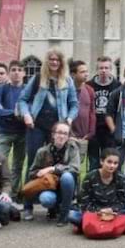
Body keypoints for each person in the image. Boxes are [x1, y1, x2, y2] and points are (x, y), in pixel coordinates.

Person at [18, 48, 78, 203]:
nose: (54, 62)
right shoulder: (38, 78)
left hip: (58, 129)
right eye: (51, 59)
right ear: (47, 61)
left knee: (59, 163)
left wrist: (69, 119)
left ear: (61, 62)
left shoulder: (67, 80)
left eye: (57, 60)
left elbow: (74, 104)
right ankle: (28, 204)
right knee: (33, 163)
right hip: (36, 127)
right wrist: (26, 114)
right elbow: (22, 99)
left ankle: (55, 201)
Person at [25, 121, 80, 225]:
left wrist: (53, 169)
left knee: (67, 177)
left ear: (68, 137)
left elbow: (75, 168)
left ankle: (64, 215)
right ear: (53, 134)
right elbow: (31, 173)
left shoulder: (73, 149)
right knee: (46, 199)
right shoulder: (42, 151)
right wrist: (40, 173)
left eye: (65, 133)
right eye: (59, 132)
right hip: (49, 187)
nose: (61, 136)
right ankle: (54, 208)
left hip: (68, 187)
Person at [68, 147, 125, 230]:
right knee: (72, 215)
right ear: (101, 161)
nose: (112, 166)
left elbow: (122, 201)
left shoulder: (120, 178)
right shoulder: (90, 177)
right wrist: (100, 211)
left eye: (115, 163)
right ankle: (113, 227)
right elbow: (84, 202)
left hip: (113, 212)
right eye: (109, 162)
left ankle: (88, 226)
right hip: (94, 212)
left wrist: (111, 210)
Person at [0, 60, 26, 201]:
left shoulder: (27, 90)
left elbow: (29, 111)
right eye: (13, 70)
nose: (16, 72)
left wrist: (7, 111)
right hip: (4, 132)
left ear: (24, 73)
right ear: (9, 73)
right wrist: (16, 113)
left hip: (23, 133)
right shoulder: (1, 89)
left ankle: (12, 194)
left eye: (19, 70)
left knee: (17, 165)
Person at [87, 56, 121, 171]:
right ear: (97, 69)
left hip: (110, 130)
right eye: (101, 68)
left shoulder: (117, 86)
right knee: (93, 161)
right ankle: (92, 185)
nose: (104, 70)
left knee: (110, 158)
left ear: (111, 69)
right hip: (94, 129)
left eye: (106, 68)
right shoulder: (89, 85)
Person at [70, 61, 96, 170]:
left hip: (85, 136)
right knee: (71, 165)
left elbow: (92, 112)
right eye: (82, 72)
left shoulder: (90, 90)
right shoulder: (66, 90)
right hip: (70, 136)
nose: (86, 74)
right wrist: (69, 133)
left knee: (83, 164)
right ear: (73, 74)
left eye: (86, 71)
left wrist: (91, 131)